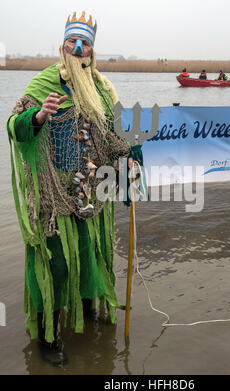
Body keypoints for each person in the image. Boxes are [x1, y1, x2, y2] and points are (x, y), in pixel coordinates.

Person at [7, 11, 133, 366]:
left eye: (86, 43)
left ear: (92, 50)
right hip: (53, 199)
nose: (78, 49)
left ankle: (91, 310)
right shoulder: (43, 83)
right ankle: (48, 338)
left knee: (92, 255)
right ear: (62, 46)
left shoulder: (103, 88)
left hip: (92, 194)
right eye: (72, 42)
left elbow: (115, 136)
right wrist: (37, 117)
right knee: (55, 266)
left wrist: (130, 157)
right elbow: (15, 127)